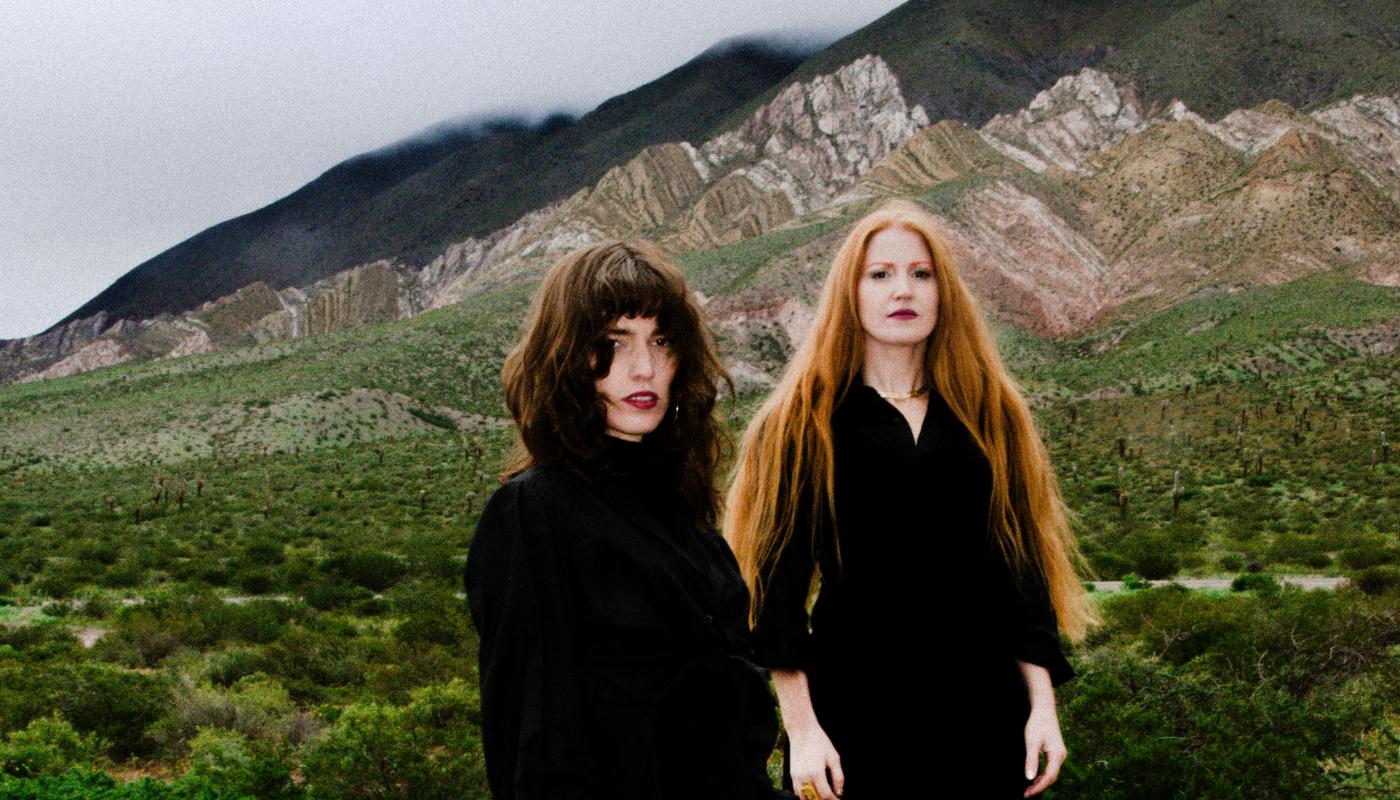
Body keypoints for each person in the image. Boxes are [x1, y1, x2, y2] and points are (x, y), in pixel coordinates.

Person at [724, 200, 1099, 799]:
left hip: (983, 715)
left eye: (922, 273)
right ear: (851, 293)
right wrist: (803, 730)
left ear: (944, 291)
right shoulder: (801, 423)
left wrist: (1042, 707)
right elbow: (775, 593)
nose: (904, 289)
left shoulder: (990, 414)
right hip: (854, 723)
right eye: (881, 274)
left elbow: (1023, 574)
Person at [465, 240, 791, 800]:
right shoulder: (532, 512)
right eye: (612, 344)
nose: (644, 368)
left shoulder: (684, 512)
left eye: (661, 342)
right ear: (566, 358)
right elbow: (534, 745)